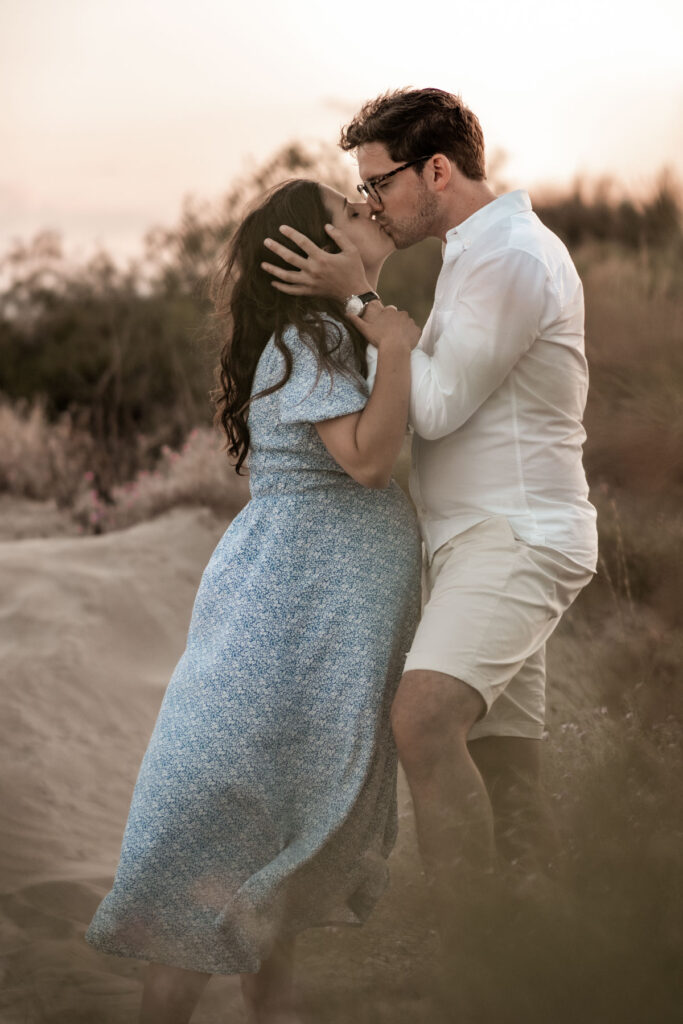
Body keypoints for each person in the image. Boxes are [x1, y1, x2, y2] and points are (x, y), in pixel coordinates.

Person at [262, 88, 599, 947]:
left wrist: (362, 296)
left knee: (421, 720)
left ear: (436, 170)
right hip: (479, 543)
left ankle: (473, 967)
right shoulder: (474, 252)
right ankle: (550, 968)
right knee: (507, 771)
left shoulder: (513, 258)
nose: (369, 202)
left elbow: (436, 409)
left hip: (516, 538)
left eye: (377, 183)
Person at [84, 178, 422, 1024]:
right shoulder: (312, 338)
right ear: (312, 252)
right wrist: (398, 346)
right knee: (204, 913)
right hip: (274, 648)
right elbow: (369, 462)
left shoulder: (327, 336)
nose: (368, 213)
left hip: (291, 637)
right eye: (350, 211)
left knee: (260, 922)